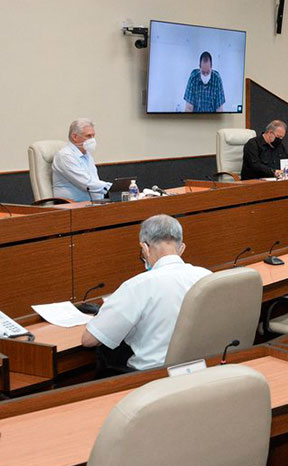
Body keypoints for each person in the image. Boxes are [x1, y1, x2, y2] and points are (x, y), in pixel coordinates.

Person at [82, 215, 211, 370]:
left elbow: (89, 340)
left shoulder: (137, 286)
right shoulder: (207, 276)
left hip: (150, 378)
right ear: (182, 248)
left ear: (145, 248)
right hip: (202, 371)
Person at [52, 118, 112, 202]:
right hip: (71, 206)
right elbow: (86, 183)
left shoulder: (87, 155)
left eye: (93, 136)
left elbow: (95, 181)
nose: (92, 140)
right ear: (75, 137)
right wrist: (112, 188)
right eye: (88, 136)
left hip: (92, 204)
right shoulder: (65, 156)